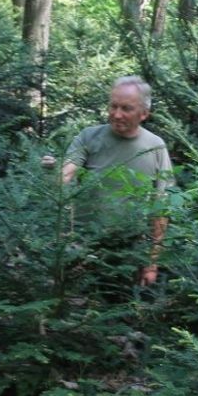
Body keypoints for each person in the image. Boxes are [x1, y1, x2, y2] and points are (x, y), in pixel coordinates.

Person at [43, 76, 174, 286]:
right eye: (113, 106)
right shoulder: (89, 137)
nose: (116, 114)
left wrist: (151, 263)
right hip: (83, 248)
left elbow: (161, 207)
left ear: (144, 113)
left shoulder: (156, 146)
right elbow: (67, 174)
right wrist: (54, 172)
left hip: (130, 252)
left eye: (126, 108)